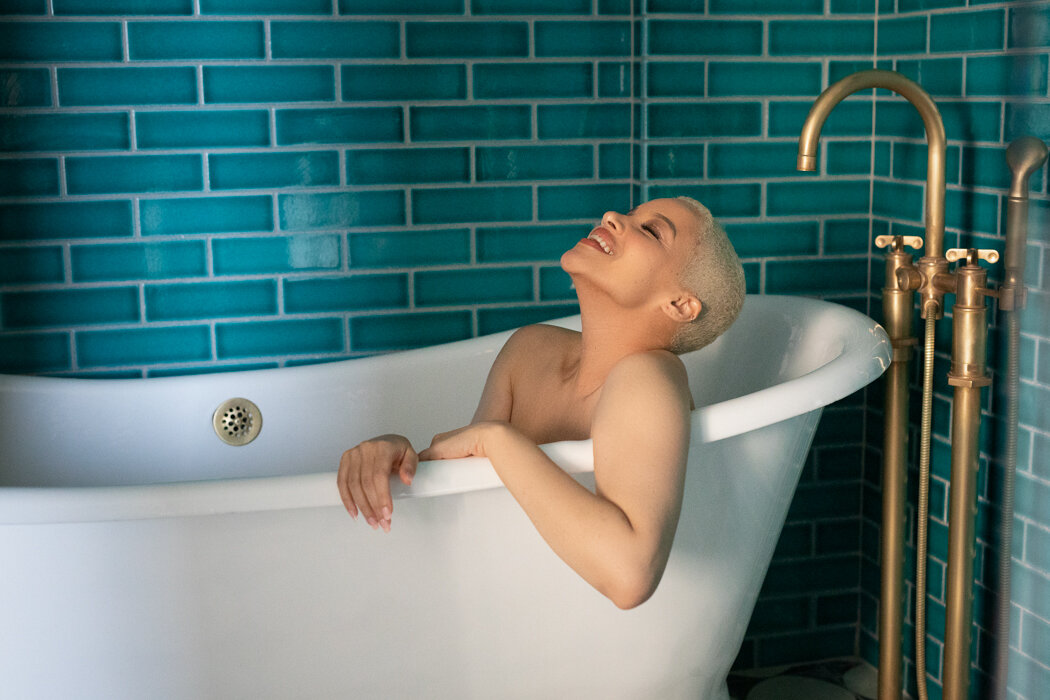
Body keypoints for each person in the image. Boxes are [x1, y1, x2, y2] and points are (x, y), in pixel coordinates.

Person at [336, 197, 745, 609]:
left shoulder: (650, 376)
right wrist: (398, 456)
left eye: (651, 231)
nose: (613, 216)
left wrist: (499, 441)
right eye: (629, 213)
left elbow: (630, 575)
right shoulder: (529, 350)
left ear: (679, 304)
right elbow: (467, 496)